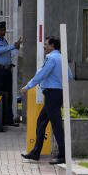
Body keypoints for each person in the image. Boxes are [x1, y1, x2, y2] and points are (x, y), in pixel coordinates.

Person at [20, 36, 73, 165]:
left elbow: (42, 74)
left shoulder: (51, 58)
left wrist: (27, 86)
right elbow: (70, 77)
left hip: (51, 94)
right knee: (41, 121)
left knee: (56, 125)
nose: (44, 46)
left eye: (46, 44)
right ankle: (36, 153)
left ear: (52, 46)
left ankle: (63, 155)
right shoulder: (62, 58)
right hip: (57, 93)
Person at [0, 21, 22, 126]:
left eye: (4, 30)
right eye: (1, 30)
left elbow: (8, 53)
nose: (3, 32)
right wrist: (13, 46)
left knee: (9, 95)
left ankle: (8, 120)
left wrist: (16, 49)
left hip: (7, 70)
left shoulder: (5, 41)